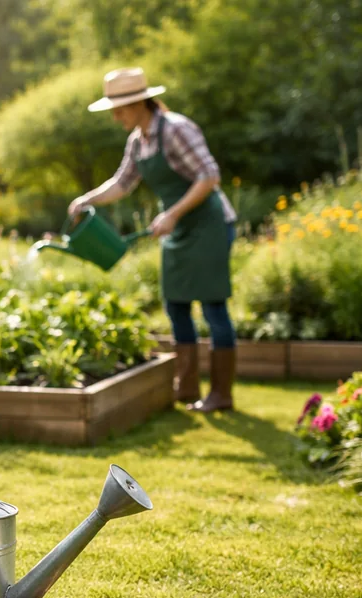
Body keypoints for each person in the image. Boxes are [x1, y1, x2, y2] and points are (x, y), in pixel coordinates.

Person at [69, 67, 237, 412]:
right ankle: (186, 388)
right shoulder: (138, 141)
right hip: (177, 229)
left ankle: (221, 394)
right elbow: (122, 183)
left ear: (138, 104)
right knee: (175, 305)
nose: (115, 117)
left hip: (208, 225)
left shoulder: (176, 129)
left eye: (119, 110)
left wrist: (172, 213)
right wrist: (87, 199)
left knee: (213, 308)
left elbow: (209, 177)